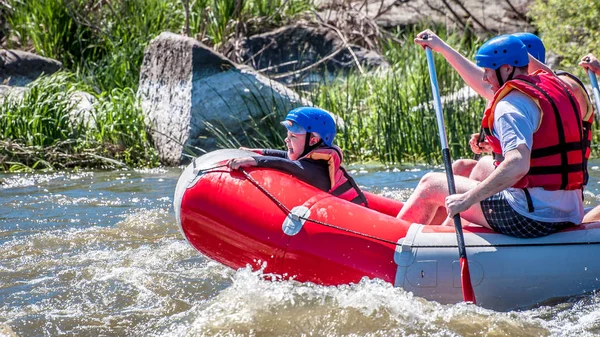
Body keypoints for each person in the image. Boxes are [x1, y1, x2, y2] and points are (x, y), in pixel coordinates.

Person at [397, 34, 586, 238]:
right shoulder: (557, 87)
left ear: (506, 69)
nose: (485, 77)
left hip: (530, 218)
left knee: (430, 184)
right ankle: (445, 235)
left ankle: (393, 245)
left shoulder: (510, 104)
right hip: (571, 213)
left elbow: (518, 164)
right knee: (482, 167)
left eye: (488, 70)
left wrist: (466, 199)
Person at [227, 106, 369, 206]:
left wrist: (254, 161)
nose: (286, 140)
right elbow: (285, 156)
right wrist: (257, 152)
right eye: (287, 135)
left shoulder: (316, 170)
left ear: (313, 140)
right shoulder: (310, 160)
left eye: (293, 136)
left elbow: (287, 164)